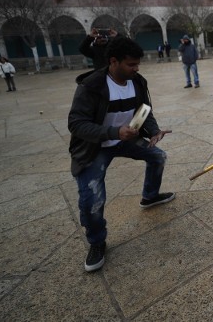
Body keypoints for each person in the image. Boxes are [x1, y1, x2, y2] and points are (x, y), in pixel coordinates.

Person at [68, 37, 174, 272]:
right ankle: (97, 242)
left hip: (126, 140)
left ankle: (150, 196)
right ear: (113, 61)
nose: (136, 69)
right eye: (131, 64)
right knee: (92, 200)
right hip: (95, 147)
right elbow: (76, 124)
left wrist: (153, 131)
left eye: (138, 64)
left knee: (158, 156)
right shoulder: (91, 86)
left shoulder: (136, 81)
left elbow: (144, 110)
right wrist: (113, 131)